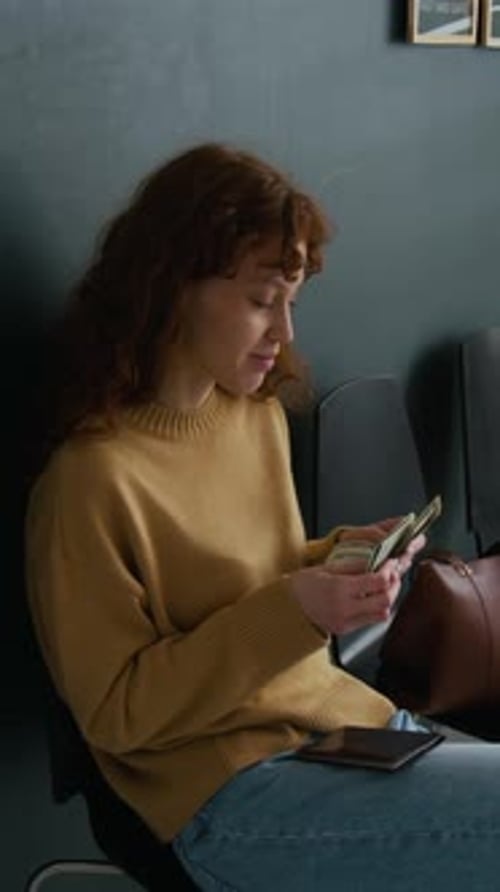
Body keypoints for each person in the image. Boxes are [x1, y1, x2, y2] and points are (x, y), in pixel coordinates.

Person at [25, 143, 500, 892]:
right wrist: (295, 611)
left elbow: (244, 578)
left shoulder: (253, 418)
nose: (284, 332)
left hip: (341, 732)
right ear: (172, 286)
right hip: (222, 791)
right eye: (260, 300)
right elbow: (116, 713)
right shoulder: (90, 482)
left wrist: (338, 561)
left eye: (292, 303)